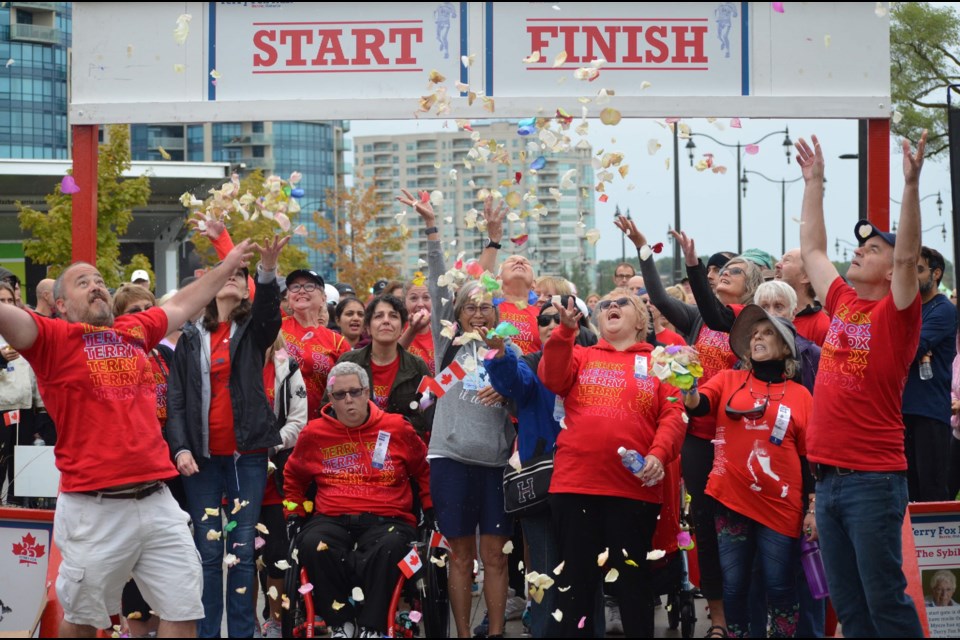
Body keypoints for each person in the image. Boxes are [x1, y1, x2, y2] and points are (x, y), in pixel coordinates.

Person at [0, 238, 258, 638]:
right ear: (61, 305)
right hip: (94, 508)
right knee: (83, 619)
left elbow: (182, 304)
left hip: (157, 501)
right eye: (83, 282)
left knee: (185, 608)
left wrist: (226, 267)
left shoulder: (133, 329)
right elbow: (7, 319)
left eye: (100, 279)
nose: (96, 285)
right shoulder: (51, 340)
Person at [795, 131, 927, 637]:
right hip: (828, 483)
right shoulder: (844, 301)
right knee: (850, 609)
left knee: (885, 603)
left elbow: (905, 255)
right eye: (860, 245)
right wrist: (815, 183)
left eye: (872, 248)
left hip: (873, 480)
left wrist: (910, 187)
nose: (859, 251)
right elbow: (811, 247)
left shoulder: (897, 315)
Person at [398, 187, 515, 639]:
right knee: (460, 555)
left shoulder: (507, 349)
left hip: (495, 464)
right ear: (458, 313)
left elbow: (523, 393)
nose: (479, 313)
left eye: (486, 306)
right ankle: (463, 634)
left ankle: (498, 632)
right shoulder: (449, 344)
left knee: (497, 557)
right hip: (449, 460)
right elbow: (438, 278)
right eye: (471, 307)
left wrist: (494, 239)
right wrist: (431, 229)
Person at [616, 216, 740, 638]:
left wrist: (693, 267)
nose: (723, 276)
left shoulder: (749, 324)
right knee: (704, 527)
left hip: (739, 439)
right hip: (699, 438)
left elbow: (716, 308)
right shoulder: (697, 320)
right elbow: (655, 295)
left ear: (754, 284)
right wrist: (644, 248)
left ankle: (747, 612)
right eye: (719, 272)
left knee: (741, 529)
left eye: (734, 272)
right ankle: (720, 621)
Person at [538, 292, 685, 637]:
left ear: (641, 321)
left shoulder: (661, 361)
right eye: (605, 305)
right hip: (575, 486)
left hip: (632, 490)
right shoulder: (581, 354)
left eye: (623, 302)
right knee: (575, 584)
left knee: (632, 585)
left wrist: (658, 453)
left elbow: (674, 415)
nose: (612, 307)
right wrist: (564, 331)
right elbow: (552, 377)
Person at [165, 236, 288, 638]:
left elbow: (271, 314)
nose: (233, 278)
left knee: (241, 551)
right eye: (227, 273)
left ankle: (241, 633)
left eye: (241, 274)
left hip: (246, 456)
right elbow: (177, 399)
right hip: (199, 458)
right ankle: (206, 633)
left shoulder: (253, 331)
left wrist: (267, 271)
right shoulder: (191, 335)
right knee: (208, 551)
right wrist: (180, 447)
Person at [684, 305, 814, 638]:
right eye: (754, 333)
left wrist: (812, 508)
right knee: (735, 585)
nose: (757, 337)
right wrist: (685, 384)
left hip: (782, 506)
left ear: (785, 347)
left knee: (780, 585)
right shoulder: (728, 379)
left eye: (767, 332)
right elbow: (699, 405)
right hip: (731, 499)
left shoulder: (801, 395)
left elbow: (808, 459)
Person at [283, 361, 432, 639]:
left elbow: (423, 470)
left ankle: (373, 626)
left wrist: (431, 507)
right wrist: (292, 511)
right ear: (330, 399)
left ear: (367, 393)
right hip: (333, 516)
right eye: (340, 395)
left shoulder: (397, 428)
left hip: (388, 516)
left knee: (390, 546)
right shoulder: (314, 434)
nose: (348, 400)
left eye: (354, 392)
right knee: (313, 544)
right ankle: (341, 622)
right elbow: (293, 476)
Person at [483, 296, 603, 638]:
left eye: (559, 318)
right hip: (542, 485)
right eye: (544, 320)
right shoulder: (531, 364)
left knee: (586, 572)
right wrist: (498, 352)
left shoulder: (595, 362)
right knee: (546, 573)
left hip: (586, 483)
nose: (551, 324)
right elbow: (510, 383)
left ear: (578, 321)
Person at [258, 334, 308, 638]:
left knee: (277, 551)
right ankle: (244, 622)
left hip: (274, 472)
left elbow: (298, 421)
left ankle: (275, 620)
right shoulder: (227, 361)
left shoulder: (286, 365)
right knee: (243, 554)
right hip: (235, 471)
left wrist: (269, 447)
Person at [902, 246, 957, 502]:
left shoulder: (943, 309)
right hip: (902, 412)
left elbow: (910, 350)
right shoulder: (908, 308)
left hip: (930, 412)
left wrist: (913, 347)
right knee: (908, 490)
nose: (913, 275)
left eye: (920, 269)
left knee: (932, 491)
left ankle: (936, 544)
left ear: (936, 274)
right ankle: (911, 544)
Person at [336, 294, 431, 438]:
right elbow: (329, 407)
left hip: (403, 444)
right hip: (355, 442)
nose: (386, 321)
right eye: (379, 316)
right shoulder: (348, 362)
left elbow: (430, 411)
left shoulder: (417, 366)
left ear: (402, 328)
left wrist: (397, 427)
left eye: (393, 316)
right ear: (367, 328)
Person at [282, 268, 350, 419]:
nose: (301, 291)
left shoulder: (337, 342)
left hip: (320, 422)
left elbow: (347, 387)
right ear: (288, 297)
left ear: (323, 298)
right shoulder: (275, 328)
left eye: (309, 286)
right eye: (295, 287)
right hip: (279, 422)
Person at [0, 281, 39, 506]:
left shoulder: (24, 331)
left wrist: (40, 410)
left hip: (24, 410)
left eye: (10, 301)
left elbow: (35, 374)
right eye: (1, 301)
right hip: (1, 410)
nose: (7, 305)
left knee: (22, 472)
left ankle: (20, 512)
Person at [775, 249, 831, 346]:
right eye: (781, 260)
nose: (777, 264)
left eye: (787, 261)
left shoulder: (822, 327)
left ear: (806, 276)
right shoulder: (766, 316)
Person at [399, 278, 436, 375]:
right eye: (413, 298)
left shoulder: (442, 332)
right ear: (404, 303)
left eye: (426, 298)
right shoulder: (396, 329)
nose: (420, 304)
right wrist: (412, 330)